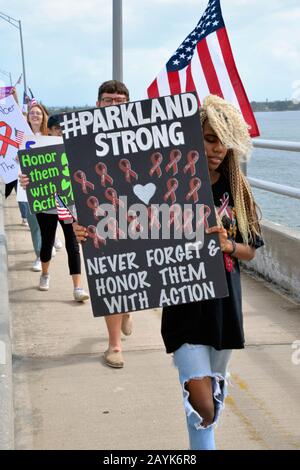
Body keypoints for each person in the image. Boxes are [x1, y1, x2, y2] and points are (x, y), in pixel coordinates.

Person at [160, 94, 264, 450]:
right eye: (208, 138)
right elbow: (127, 226)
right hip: (185, 303)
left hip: (225, 306)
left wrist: (228, 246)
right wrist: (89, 232)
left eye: (224, 140)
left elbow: (251, 250)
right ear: (194, 137)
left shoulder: (238, 190)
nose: (217, 148)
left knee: (210, 405)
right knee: (202, 406)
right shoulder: (168, 183)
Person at [73, 80, 133, 368]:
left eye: (120, 100)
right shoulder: (82, 137)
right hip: (101, 217)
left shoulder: (144, 135)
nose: (114, 104)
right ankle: (115, 346)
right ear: (98, 104)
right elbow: (66, 177)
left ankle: (129, 309)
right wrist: (28, 181)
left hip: (138, 217)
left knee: (137, 278)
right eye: (109, 100)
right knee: (113, 281)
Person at [20, 114, 89, 302]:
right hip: (46, 204)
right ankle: (45, 274)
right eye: (57, 128)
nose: (61, 131)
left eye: (64, 128)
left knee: (72, 244)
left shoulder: (75, 149)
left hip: (68, 204)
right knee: (47, 240)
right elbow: (26, 171)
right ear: (49, 130)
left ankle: (78, 287)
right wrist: (24, 180)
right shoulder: (37, 148)